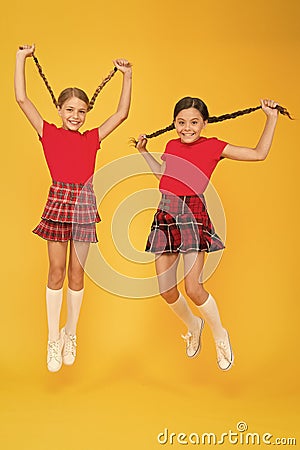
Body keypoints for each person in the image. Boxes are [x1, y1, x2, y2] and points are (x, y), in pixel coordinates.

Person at [135, 96, 291, 371]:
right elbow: (163, 174)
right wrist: (144, 152)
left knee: (193, 288)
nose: (187, 128)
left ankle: (220, 334)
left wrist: (272, 118)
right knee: (166, 290)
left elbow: (258, 153)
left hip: (193, 213)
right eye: (181, 122)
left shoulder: (214, 146)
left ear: (204, 123)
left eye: (194, 122)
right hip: (166, 211)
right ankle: (194, 325)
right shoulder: (171, 145)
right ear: (174, 123)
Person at [14, 44, 132, 372]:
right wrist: (21, 58)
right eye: (69, 110)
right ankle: (53, 338)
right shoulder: (48, 133)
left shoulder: (91, 138)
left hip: (83, 204)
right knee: (55, 271)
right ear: (59, 109)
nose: (75, 116)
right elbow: (22, 99)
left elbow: (121, 114)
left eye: (81, 111)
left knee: (77, 273)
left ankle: (71, 332)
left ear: (86, 113)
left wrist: (127, 75)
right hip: (57, 202)